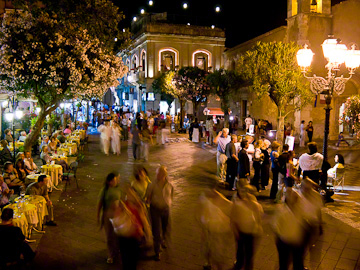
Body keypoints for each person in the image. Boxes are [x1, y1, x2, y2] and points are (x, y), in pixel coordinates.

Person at [231, 179, 263, 270]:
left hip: (250, 229)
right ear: (238, 189)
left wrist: (258, 225)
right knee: (240, 250)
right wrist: (234, 228)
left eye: (246, 190)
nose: (244, 193)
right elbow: (233, 215)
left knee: (249, 254)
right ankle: (239, 263)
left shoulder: (251, 198)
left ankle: (247, 266)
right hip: (240, 229)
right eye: (242, 190)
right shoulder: (235, 199)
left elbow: (257, 213)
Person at [197, 188, 232, 270]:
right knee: (207, 247)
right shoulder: (204, 198)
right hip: (208, 227)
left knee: (216, 250)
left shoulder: (219, 199)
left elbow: (230, 206)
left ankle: (216, 264)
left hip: (216, 228)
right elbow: (200, 211)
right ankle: (208, 262)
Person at [273, 189, 306, 270]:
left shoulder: (300, 209)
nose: (296, 199)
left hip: (297, 241)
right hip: (284, 241)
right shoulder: (281, 210)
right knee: (284, 264)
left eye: (296, 198)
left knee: (297, 263)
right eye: (294, 197)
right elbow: (277, 227)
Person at [146, 166, 173, 261]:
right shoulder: (152, 184)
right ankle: (157, 251)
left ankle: (163, 240)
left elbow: (171, 195)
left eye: (159, 174)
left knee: (165, 227)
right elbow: (148, 196)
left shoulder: (169, 184)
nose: (157, 175)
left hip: (166, 209)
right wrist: (148, 202)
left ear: (164, 175)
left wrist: (169, 203)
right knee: (156, 231)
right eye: (156, 173)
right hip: (155, 210)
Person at [97, 172, 121, 264]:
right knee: (109, 236)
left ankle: (116, 251)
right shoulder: (104, 190)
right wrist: (98, 216)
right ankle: (110, 255)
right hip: (107, 215)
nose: (117, 181)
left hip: (117, 215)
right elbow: (99, 204)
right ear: (109, 182)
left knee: (117, 235)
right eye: (115, 180)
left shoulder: (118, 189)